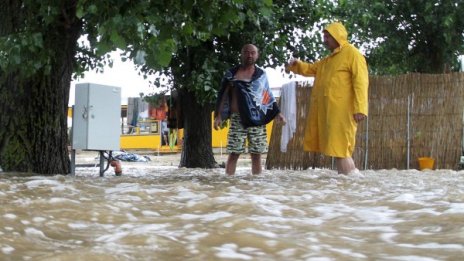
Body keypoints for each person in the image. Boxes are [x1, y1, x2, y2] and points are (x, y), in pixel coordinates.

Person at [286, 22, 368, 174]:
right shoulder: (328, 60)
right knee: (337, 150)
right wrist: (296, 64)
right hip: (329, 112)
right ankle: (348, 188)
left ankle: (353, 186)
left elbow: (361, 82)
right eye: (324, 37)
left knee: (341, 150)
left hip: (343, 112)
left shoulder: (353, 54)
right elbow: (310, 69)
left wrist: (360, 108)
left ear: (338, 36)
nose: (325, 40)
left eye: (328, 36)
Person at [214, 44, 286, 176]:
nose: (249, 55)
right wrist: (219, 116)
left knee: (256, 154)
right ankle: (229, 185)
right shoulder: (232, 74)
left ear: (257, 55)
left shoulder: (261, 75)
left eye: (253, 52)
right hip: (237, 118)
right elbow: (222, 95)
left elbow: (267, 95)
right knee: (234, 153)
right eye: (246, 52)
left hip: (256, 118)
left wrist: (278, 113)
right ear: (241, 54)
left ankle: (256, 188)